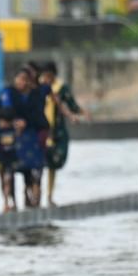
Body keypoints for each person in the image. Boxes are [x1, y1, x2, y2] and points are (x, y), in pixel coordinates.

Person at [0, 66, 48, 208]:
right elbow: (3, 112)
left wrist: (27, 123)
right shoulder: (8, 93)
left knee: (33, 171)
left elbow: (39, 115)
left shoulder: (36, 95)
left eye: (25, 80)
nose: (22, 82)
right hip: (11, 138)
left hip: (31, 137)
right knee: (8, 171)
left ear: (30, 82)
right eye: (19, 79)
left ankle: (32, 198)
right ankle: (10, 202)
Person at [38, 60, 88, 207]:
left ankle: (49, 195)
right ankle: (36, 195)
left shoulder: (61, 88)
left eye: (48, 76)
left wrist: (79, 113)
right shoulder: (38, 87)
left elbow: (69, 104)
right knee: (38, 163)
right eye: (44, 76)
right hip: (40, 129)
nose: (46, 79)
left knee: (53, 163)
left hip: (56, 130)